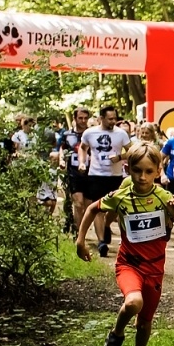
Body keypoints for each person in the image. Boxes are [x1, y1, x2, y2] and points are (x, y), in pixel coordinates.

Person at [76, 143, 174, 346]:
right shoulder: (121, 197)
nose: (142, 177)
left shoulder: (164, 197)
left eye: (149, 171)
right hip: (129, 264)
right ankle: (116, 335)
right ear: (128, 169)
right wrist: (80, 241)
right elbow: (90, 209)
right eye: (137, 170)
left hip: (155, 268)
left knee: (145, 322)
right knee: (133, 302)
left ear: (159, 171)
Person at [77, 104, 131, 257]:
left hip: (115, 176)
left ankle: (107, 224)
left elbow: (132, 151)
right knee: (99, 208)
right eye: (110, 119)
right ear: (101, 118)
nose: (113, 121)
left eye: (114, 118)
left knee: (115, 208)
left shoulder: (121, 134)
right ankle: (101, 242)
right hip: (96, 175)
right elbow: (83, 148)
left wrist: (119, 157)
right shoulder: (89, 133)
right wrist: (82, 162)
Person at [58, 107, 92, 236]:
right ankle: (80, 234)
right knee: (78, 204)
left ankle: (81, 228)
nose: (83, 121)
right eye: (80, 118)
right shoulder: (67, 135)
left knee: (88, 206)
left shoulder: (92, 134)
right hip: (73, 173)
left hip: (90, 173)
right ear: (75, 119)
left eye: (85, 118)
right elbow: (62, 148)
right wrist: (61, 160)